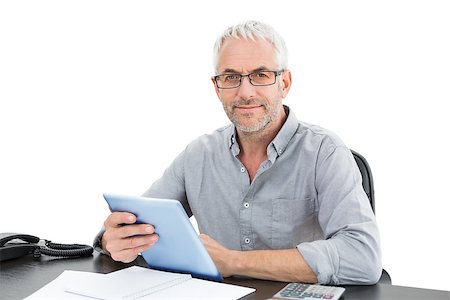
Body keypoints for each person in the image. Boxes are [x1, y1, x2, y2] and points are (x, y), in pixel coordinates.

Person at [94, 20, 382, 285]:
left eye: (260, 75)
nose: (245, 92)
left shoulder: (325, 152)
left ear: (285, 83)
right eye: (231, 77)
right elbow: (138, 223)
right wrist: (113, 241)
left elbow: (362, 257)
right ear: (217, 88)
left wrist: (233, 261)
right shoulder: (198, 155)